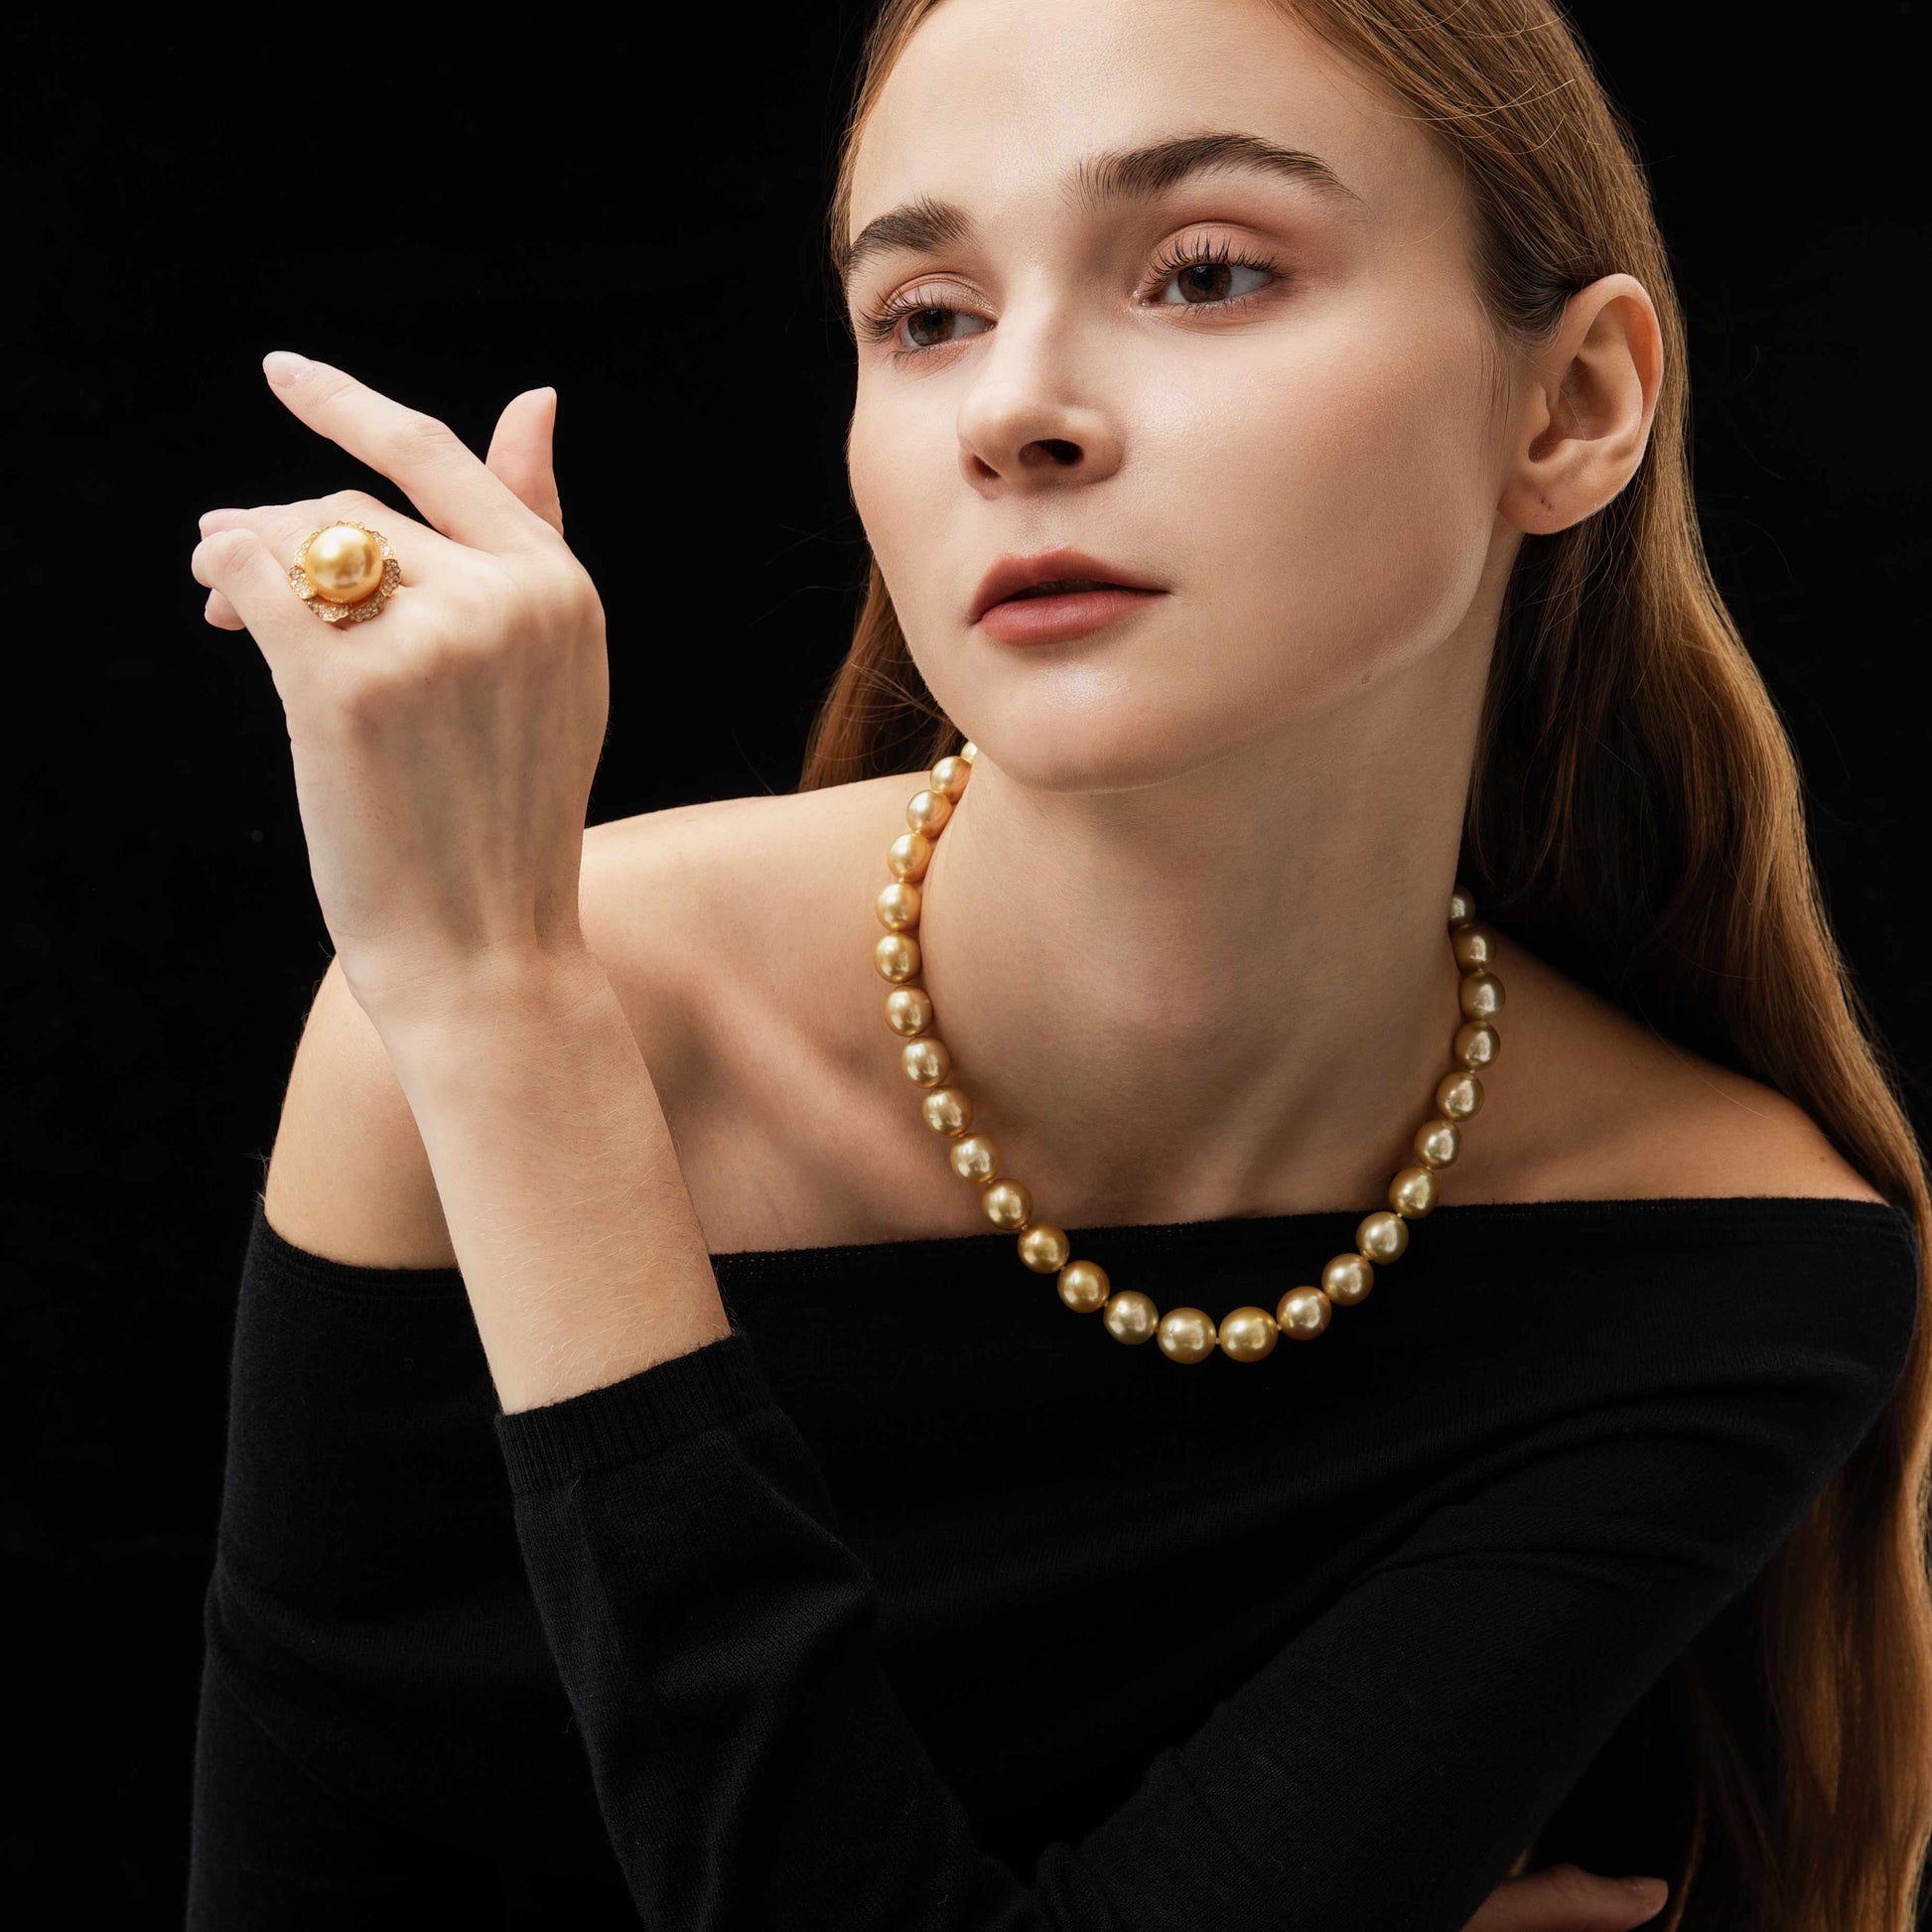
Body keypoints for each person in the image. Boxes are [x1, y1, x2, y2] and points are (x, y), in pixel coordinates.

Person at [183, 1, 1932, 1928]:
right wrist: (507, 1021)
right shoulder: (455, 1020)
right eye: (925, 314)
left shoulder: (1721, 1257)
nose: (1014, 409)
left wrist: (507, 1014)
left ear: (1572, 404)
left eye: (1203, 272)